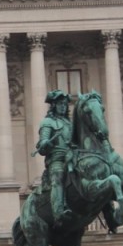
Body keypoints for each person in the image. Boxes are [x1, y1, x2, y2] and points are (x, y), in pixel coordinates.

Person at [32, 90, 74, 228]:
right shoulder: (48, 122)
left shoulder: (70, 123)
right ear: (54, 105)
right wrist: (45, 143)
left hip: (73, 156)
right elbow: (42, 145)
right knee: (58, 176)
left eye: (65, 104)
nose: (63, 106)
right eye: (60, 104)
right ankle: (58, 212)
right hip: (58, 158)